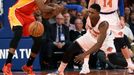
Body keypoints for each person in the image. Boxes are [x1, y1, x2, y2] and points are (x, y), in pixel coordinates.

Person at [47, 3, 113, 75]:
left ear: (98, 13)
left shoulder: (103, 24)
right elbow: (77, 7)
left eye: (92, 13)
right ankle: (60, 71)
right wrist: (64, 6)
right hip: (90, 35)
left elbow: (98, 44)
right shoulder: (87, 14)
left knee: (113, 59)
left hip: (105, 40)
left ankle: (127, 65)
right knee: (70, 50)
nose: (90, 14)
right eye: (89, 12)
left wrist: (84, 55)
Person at [2, 0, 62, 75]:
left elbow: (44, 15)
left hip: (28, 16)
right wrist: (54, 8)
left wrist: (53, 13)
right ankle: (7, 65)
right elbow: (43, 8)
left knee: (38, 40)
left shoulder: (47, 1)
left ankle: (28, 66)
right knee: (18, 33)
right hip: (17, 12)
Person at [86, 0, 134, 73]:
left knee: (121, 41)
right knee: (93, 39)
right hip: (100, 15)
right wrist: (89, 17)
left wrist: (122, 17)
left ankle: (130, 64)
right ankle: (85, 65)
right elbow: (91, 3)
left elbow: (120, 3)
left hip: (113, 16)